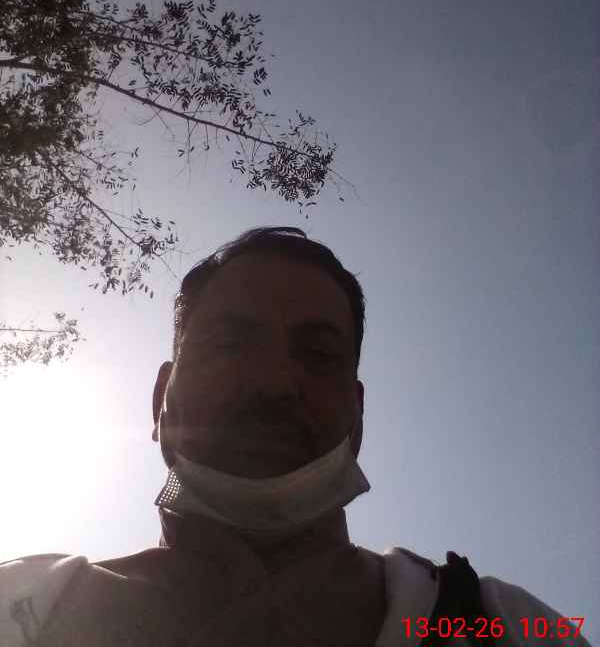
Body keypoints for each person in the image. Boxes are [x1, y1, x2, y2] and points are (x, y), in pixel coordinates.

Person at [0, 227, 592, 646]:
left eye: (319, 354)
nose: (274, 383)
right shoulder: (20, 604)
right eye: (228, 345)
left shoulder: (506, 626)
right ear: (160, 399)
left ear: (358, 416)